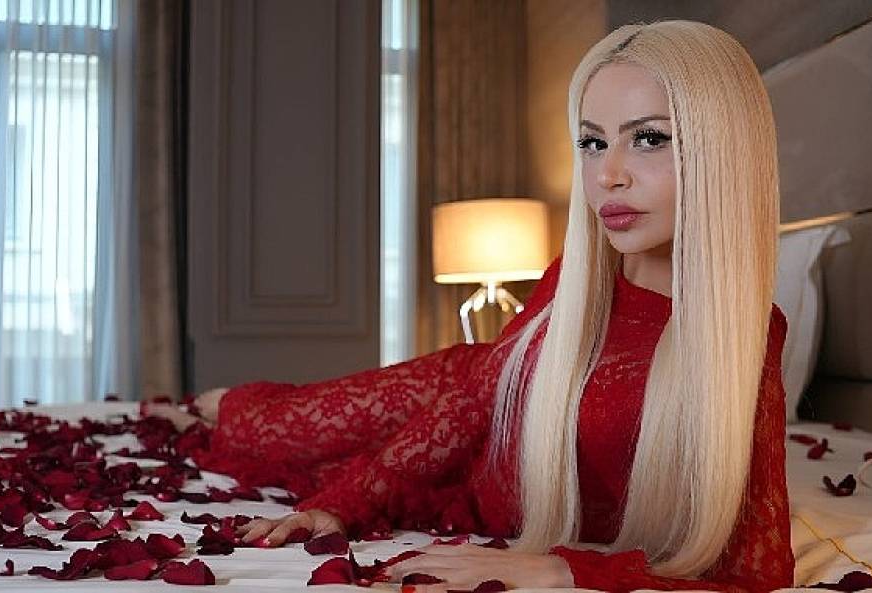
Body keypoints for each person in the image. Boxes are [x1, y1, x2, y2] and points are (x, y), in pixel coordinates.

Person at [147, 19, 795, 592]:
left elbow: (756, 571)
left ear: (723, 150)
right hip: (466, 393)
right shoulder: (576, 279)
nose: (607, 175)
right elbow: (476, 397)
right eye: (593, 142)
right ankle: (216, 404)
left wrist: (565, 571)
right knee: (272, 430)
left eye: (649, 138)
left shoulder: (746, 339)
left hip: (478, 480)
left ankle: (215, 412)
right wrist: (341, 507)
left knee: (313, 453)